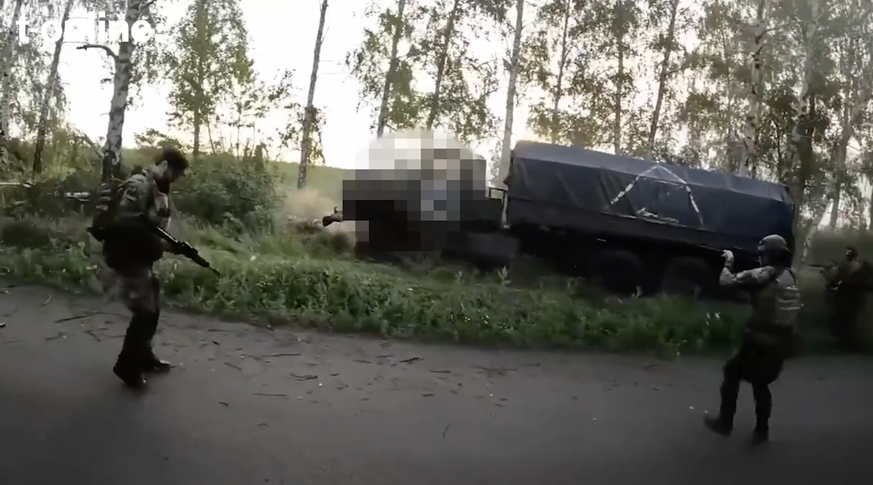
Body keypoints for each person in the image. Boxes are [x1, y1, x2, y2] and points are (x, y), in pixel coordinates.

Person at [91, 148, 189, 388]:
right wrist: (162, 245)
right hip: (126, 256)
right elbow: (128, 226)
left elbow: (153, 226)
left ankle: (143, 355)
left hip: (141, 256)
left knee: (153, 305)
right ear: (164, 165)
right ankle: (126, 365)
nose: (176, 179)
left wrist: (169, 246)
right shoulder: (138, 186)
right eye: (175, 173)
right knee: (145, 311)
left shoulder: (158, 188)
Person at [704, 234, 801, 444]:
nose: (760, 258)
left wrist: (729, 261)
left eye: (763, 254)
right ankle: (761, 431)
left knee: (731, 373)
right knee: (761, 384)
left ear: (769, 255)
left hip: (758, 341)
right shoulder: (789, 276)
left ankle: (725, 423)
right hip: (780, 343)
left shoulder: (763, 274)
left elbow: (726, 281)